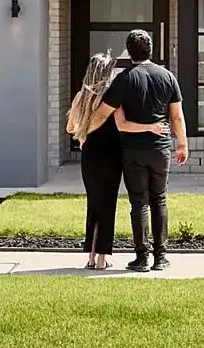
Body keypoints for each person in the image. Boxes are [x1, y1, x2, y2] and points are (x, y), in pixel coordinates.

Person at [87, 29, 188, 272]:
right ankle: (160, 257)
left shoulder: (124, 79)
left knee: (139, 203)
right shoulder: (167, 76)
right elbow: (177, 117)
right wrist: (182, 144)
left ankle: (141, 258)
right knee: (160, 200)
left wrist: (84, 133)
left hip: (133, 150)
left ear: (129, 51)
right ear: (150, 50)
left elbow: (102, 113)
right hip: (161, 149)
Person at [66, 52, 168, 271]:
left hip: (89, 156)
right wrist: (151, 127)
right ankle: (102, 258)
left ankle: (91, 257)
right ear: (105, 72)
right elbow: (123, 125)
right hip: (111, 155)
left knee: (94, 204)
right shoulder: (111, 97)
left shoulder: (79, 97)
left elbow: (70, 129)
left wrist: (84, 135)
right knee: (107, 205)